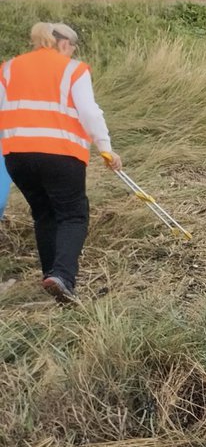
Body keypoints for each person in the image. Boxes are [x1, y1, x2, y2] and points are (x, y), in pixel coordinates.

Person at [0, 22, 122, 303]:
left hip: (17, 156)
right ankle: (63, 276)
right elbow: (89, 112)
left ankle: (51, 276)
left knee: (44, 214)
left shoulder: (9, 68)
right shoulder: (73, 69)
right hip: (60, 155)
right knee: (73, 215)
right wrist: (106, 148)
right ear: (65, 44)